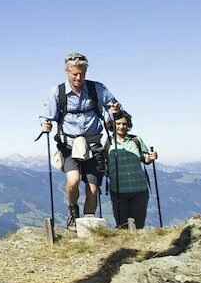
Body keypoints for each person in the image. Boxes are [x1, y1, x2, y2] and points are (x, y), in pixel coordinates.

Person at [39, 52, 122, 228]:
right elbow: (47, 116)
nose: (79, 78)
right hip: (69, 146)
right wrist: (45, 125)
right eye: (75, 74)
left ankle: (87, 223)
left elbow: (114, 107)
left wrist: (115, 111)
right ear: (66, 71)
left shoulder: (97, 89)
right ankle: (73, 210)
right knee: (73, 181)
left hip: (93, 145)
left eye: (82, 74)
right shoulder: (57, 93)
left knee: (93, 188)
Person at [104, 111, 158, 229]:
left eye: (124, 124)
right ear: (112, 124)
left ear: (128, 125)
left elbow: (146, 159)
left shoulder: (136, 140)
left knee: (138, 227)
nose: (121, 126)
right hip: (118, 192)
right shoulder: (108, 143)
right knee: (122, 227)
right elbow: (103, 164)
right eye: (118, 123)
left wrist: (151, 157)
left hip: (139, 190)